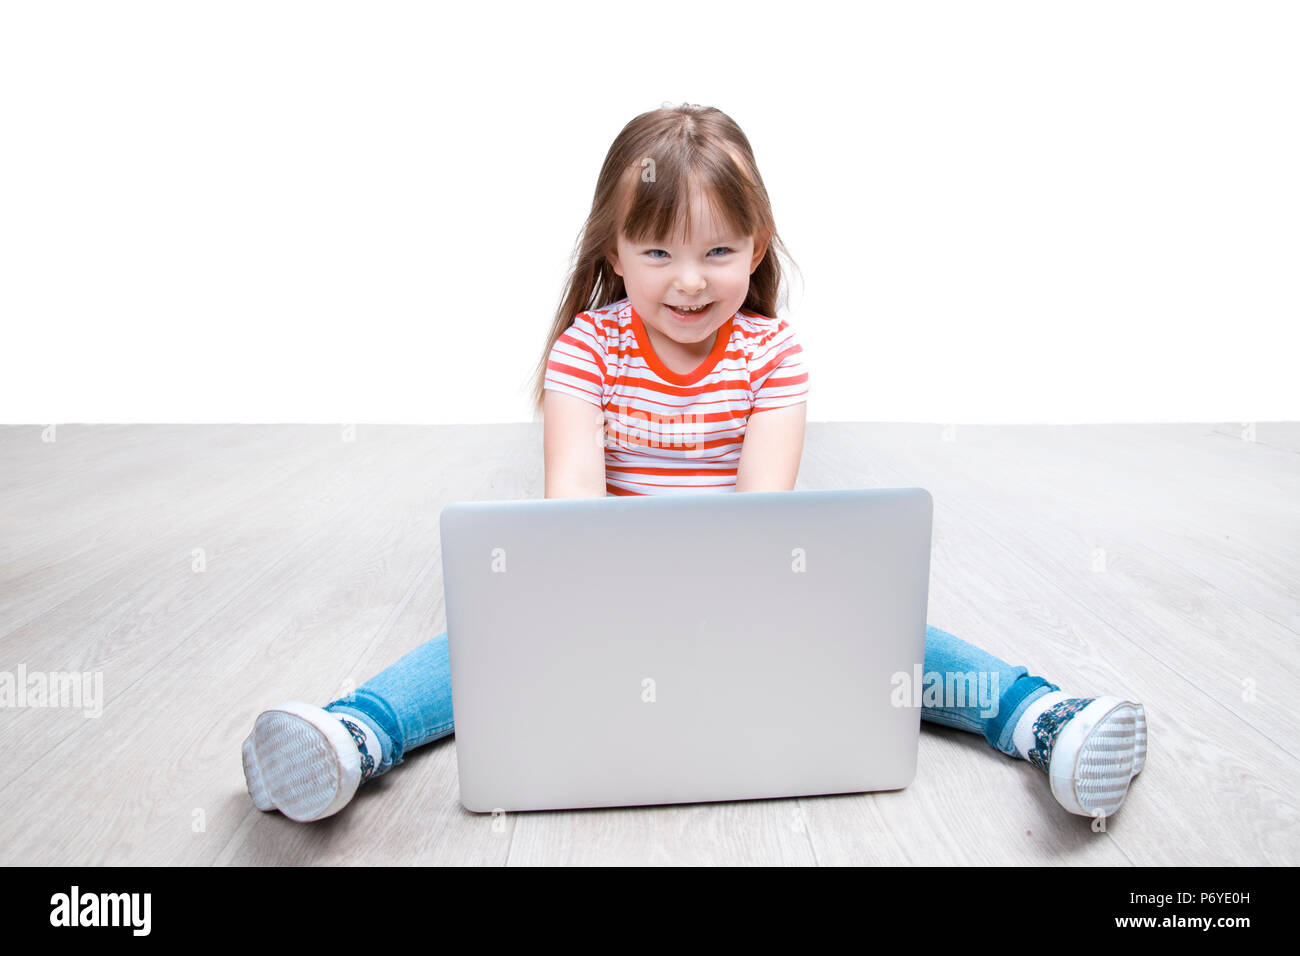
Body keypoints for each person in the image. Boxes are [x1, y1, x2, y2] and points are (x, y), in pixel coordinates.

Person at [241, 103, 1146, 825]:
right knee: (482, 645)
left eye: (718, 252)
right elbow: (570, 522)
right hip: (601, 587)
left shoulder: (772, 354)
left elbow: (762, 517)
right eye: (658, 251)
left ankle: (1043, 719)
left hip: (745, 588)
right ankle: (353, 734)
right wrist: (605, 611)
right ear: (613, 250)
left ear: (756, 250)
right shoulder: (585, 352)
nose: (688, 281)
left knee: (889, 635)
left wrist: (748, 610)